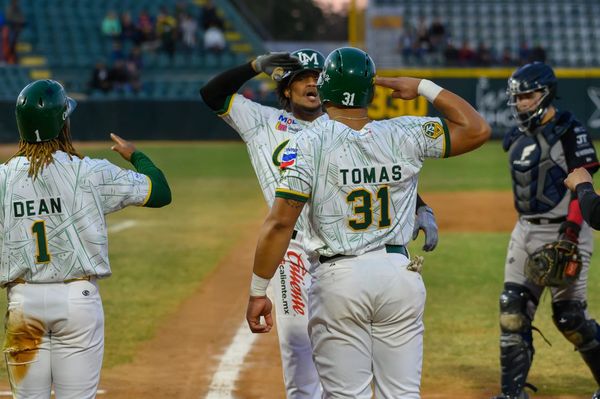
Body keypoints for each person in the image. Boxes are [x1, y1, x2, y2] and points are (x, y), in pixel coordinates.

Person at [245, 47, 490, 398]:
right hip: (398, 275)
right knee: (403, 394)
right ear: (371, 93)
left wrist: (257, 291)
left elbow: (280, 224)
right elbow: (477, 129)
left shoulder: (306, 143)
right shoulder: (404, 132)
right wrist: (422, 86)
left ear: (326, 89)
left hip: (339, 280)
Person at [200, 49, 439, 399]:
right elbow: (212, 94)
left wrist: (420, 205)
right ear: (285, 89)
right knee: (300, 354)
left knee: (351, 358)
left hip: (349, 251)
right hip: (295, 249)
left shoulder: (346, 125)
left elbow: (377, 177)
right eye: (300, 77)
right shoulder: (262, 121)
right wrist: (254, 66)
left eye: (316, 75)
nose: (311, 82)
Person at [0, 79, 171, 398]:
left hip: (22, 304)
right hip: (77, 301)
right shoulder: (89, 171)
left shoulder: (3, 179)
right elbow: (160, 192)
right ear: (63, 122)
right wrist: (136, 156)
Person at [494, 62, 600, 399]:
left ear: (545, 93)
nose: (522, 103)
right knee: (512, 308)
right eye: (517, 97)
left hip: (565, 230)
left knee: (569, 318)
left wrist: (570, 233)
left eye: (527, 95)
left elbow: (582, 181)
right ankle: (512, 395)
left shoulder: (569, 129)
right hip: (525, 231)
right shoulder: (518, 135)